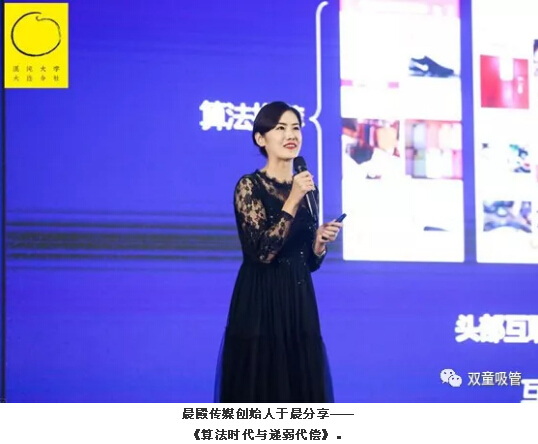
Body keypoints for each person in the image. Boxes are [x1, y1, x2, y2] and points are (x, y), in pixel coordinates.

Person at [214, 101, 343, 402]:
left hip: (298, 301)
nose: (291, 135)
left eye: (296, 128)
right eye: (281, 128)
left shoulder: (308, 188)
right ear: (261, 139)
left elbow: (307, 261)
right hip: (261, 300)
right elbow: (263, 252)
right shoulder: (249, 186)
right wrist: (293, 199)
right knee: (261, 387)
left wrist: (319, 243)